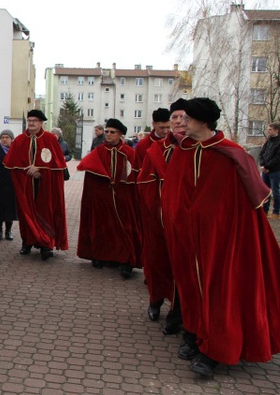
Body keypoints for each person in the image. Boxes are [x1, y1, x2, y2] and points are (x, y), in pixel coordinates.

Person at [161, 97, 280, 378]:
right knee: (190, 284)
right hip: (187, 237)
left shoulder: (233, 154)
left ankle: (214, 350)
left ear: (202, 122)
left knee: (218, 289)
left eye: (187, 118)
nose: (181, 123)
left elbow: (249, 203)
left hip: (222, 239)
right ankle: (194, 333)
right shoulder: (184, 151)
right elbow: (175, 195)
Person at [137, 99, 187, 334]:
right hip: (158, 218)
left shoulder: (196, 149)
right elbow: (144, 181)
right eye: (171, 121)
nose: (175, 125)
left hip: (187, 223)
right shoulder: (156, 150)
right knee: (158, 262)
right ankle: (156, 301)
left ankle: (178, 314)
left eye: (180, 120)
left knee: (183, 269)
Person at [77, 118, 141, 279]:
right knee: (102, 226)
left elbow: (136, 176)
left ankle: (127, 261)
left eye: (112, 132)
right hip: (102, 198)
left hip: (123, 198)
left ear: (120, 134)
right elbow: (90, 174)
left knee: (125, 227)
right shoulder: (98, 152)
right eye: (107, 132)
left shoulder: (129, 153)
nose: (108, 135)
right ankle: (100, 256)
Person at [4, 110, 68, 260]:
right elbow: (12, 165)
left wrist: (41, 170)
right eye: (29, 120)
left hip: (45, 186)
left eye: (35, 120)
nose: (31, 123)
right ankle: (27, 242)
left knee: (46, 212)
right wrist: (28, 172)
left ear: (41, 123)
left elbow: (58, 165)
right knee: (26, 213)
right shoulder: (19, 140)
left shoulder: (50, 139)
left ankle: (46, 245)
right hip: (26, 185)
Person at [0, 130, 18, 241]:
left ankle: (8, 230)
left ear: (11, 139)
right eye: (2, 137)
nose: (4, 139)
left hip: (11, 185)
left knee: (10, 209)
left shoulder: (15, 151)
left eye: (7, 137)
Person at [259, 121, 280, 219]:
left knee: (275, 191)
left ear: (276, 130)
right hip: (265, 170)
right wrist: (262, 164)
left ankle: (276, 212)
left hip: (275, 170)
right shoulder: (269, 141)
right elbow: (262, 153)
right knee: (265, 191)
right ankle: (265, 211)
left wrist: (267, 166)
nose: (268, 131)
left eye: (270, 129)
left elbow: (277, 158)